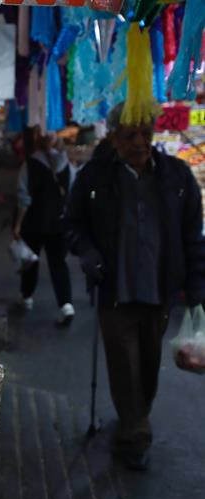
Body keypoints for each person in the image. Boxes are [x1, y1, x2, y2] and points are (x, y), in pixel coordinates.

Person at [65, 103, 205, 471]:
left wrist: (195, 289)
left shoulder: (176, 176)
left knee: (148, 364)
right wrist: (89, 252)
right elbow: (71, 224)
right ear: (112, 137)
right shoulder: (94, 177)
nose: (140, 142)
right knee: (124, 365)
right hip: (115, 292)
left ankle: (135, 417)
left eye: (146, 132)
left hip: (160, 293)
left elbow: (193, 235)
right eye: (130, 135)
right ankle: (135, 431)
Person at [14, 125, 75, 325]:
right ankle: (66, 304)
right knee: (59, 263)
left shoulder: (29, 164)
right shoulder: (67, 165)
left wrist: (18, 224)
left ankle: (27, 297)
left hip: (34, 222)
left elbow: (23, 197)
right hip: (59, 223)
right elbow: (72, 193)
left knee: (31, 260)